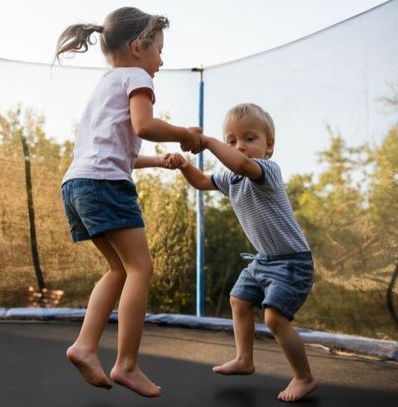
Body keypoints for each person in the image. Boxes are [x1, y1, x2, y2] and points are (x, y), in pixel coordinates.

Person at [54, 7, 203, 398]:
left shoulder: (105, 85)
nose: (161, 60)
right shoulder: (137, 76)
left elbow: (122, 150)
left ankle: (85, 346)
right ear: (138, 47)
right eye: (159, 50)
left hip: (77, 183)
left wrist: (159, 160)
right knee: (141, 268)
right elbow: (145, 126)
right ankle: (127, 363)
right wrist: (184, 134)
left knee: (119, 269)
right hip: (105, 184)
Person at [166, 103, 318, 402]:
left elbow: (242, 165)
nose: (240, 147)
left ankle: (304, 377)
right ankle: (244, 360)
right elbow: (201, 181)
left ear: (269, 146)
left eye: (249, 139)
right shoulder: (228, 178)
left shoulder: (267, 170)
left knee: (274, 319)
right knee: (239, 300)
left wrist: (209, 142)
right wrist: (185, 165)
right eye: (232, 140)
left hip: (292, 262)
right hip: (263, 260)